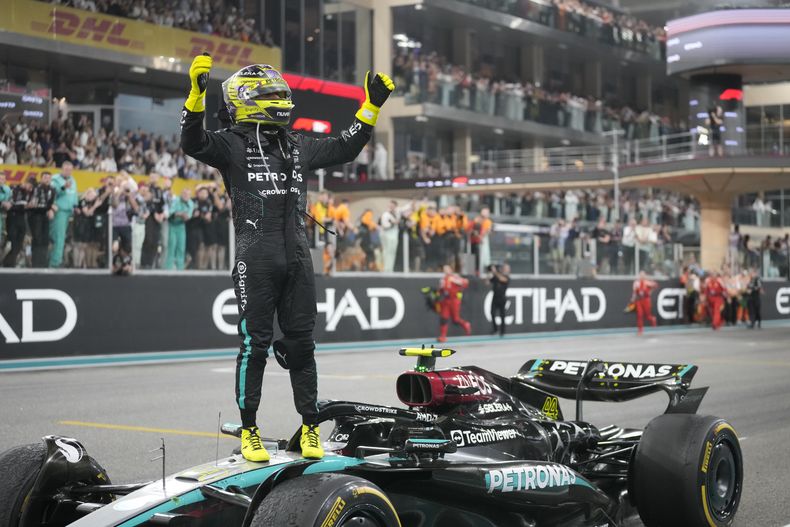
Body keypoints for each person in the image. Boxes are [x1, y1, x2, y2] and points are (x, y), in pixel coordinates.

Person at [179, 54, 394, 461]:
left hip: (297, 258)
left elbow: (348, 147)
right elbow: (192, 142)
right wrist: (196, 95)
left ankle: (310, 427)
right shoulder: (229, 143)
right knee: (254, 346)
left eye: (282, 93)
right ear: (246, 99)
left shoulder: (297, 143)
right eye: (272, 94)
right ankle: (249, 431)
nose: (281, 99)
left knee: (302, 346)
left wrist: (371, 106)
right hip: (254, 258)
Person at [49, 162, 78, 268]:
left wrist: (75, 206)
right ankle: (55, 263)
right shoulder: (55, 179)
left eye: (70, 170)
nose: (68, 172)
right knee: (58, 237)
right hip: (59, 211)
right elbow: (52, 193)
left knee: (61, 237)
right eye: (66, 169)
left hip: (68, 212)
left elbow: (74, 194)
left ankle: (56, 259)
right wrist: (63, 187)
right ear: (61, 169)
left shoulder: (73, 180)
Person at [2, 176, 33, 267]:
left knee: (19, 244)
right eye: (29, 185)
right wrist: (23, 206)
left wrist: (26, 207)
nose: (29, 188)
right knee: (12, 243)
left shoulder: (29, 193)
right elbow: (10, 205)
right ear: (25, 182)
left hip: (22, 219)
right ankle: (7, 263)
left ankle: (9, 263)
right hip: (12, 219)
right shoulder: (13, 189)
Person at [438, 264, 472, 342]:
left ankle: (465, 324)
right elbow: (441, 291)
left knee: (455, 319)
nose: (445, 271)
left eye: (447, 269)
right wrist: (440, 289)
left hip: (454, 300)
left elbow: (466, 282)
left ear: (450, 270)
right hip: (446, 300)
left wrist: (457, 281)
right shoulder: (443, 279)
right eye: (444, 269)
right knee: (444, 318)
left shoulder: (454, 277)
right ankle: (443, 336)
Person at [29, 172, 56, 268]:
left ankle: (43, 263)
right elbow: (34, 205)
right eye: (45, 177)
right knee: (37, 239)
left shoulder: (52, 190)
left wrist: (51, 209)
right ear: (41, 178)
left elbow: (51, 203)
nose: (47, 179)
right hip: (36, 217)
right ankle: (35, 264)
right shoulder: (36, 188)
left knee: (45, 239)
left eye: (49, 177)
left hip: (45, 218)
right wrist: (50, 208)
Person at [165, 188, 194, 270]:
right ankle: (168, 269)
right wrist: (181, 214)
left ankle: (180, 269)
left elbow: (188, 217)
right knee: (171, 247)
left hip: (181, 226)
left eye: (188, 194)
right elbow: (171, 213)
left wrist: (180, 214)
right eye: (184, 194)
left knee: (181, 248)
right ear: (181, 194)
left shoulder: (191, 203)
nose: (186, 196)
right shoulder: (176, 200)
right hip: (172, 225)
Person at [632, 270, 657, 335]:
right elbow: (634, 292)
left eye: (643, 275)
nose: (641, 276)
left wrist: (650, 291)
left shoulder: (647, 282)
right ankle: (640, 330)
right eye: (640, 275)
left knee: (647, 315)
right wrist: (633, 299)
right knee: (639, 315)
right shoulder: (636, 283)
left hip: (646, 300)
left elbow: (655, 285)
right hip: (639, 300)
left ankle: (652, 319)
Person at [489, 263, 510, 337]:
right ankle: (495, 330)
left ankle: (502, 331)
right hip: (495, 297)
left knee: (502, 315)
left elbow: (503, 279)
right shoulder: (496, 276)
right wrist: (490, 273)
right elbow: (487, 282)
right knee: (492, 313)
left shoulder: (506, 276)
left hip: (502, 298)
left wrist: (495, 272)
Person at [379, 200, 399, 272]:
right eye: (390, 206)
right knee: (387, 252)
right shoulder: (386, 214)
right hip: (387, 235)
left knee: (391, 252)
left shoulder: (396, 214)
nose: (391, 207)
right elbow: (385, 226)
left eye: (393, 206)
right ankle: (386, 269)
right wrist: (393, 223)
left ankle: (390, 269)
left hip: (393, 236)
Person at [0, 174, 11, 254]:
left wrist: (9, 204)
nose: (1, 181)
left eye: (3, 179)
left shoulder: (7, 189)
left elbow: (10, 199)